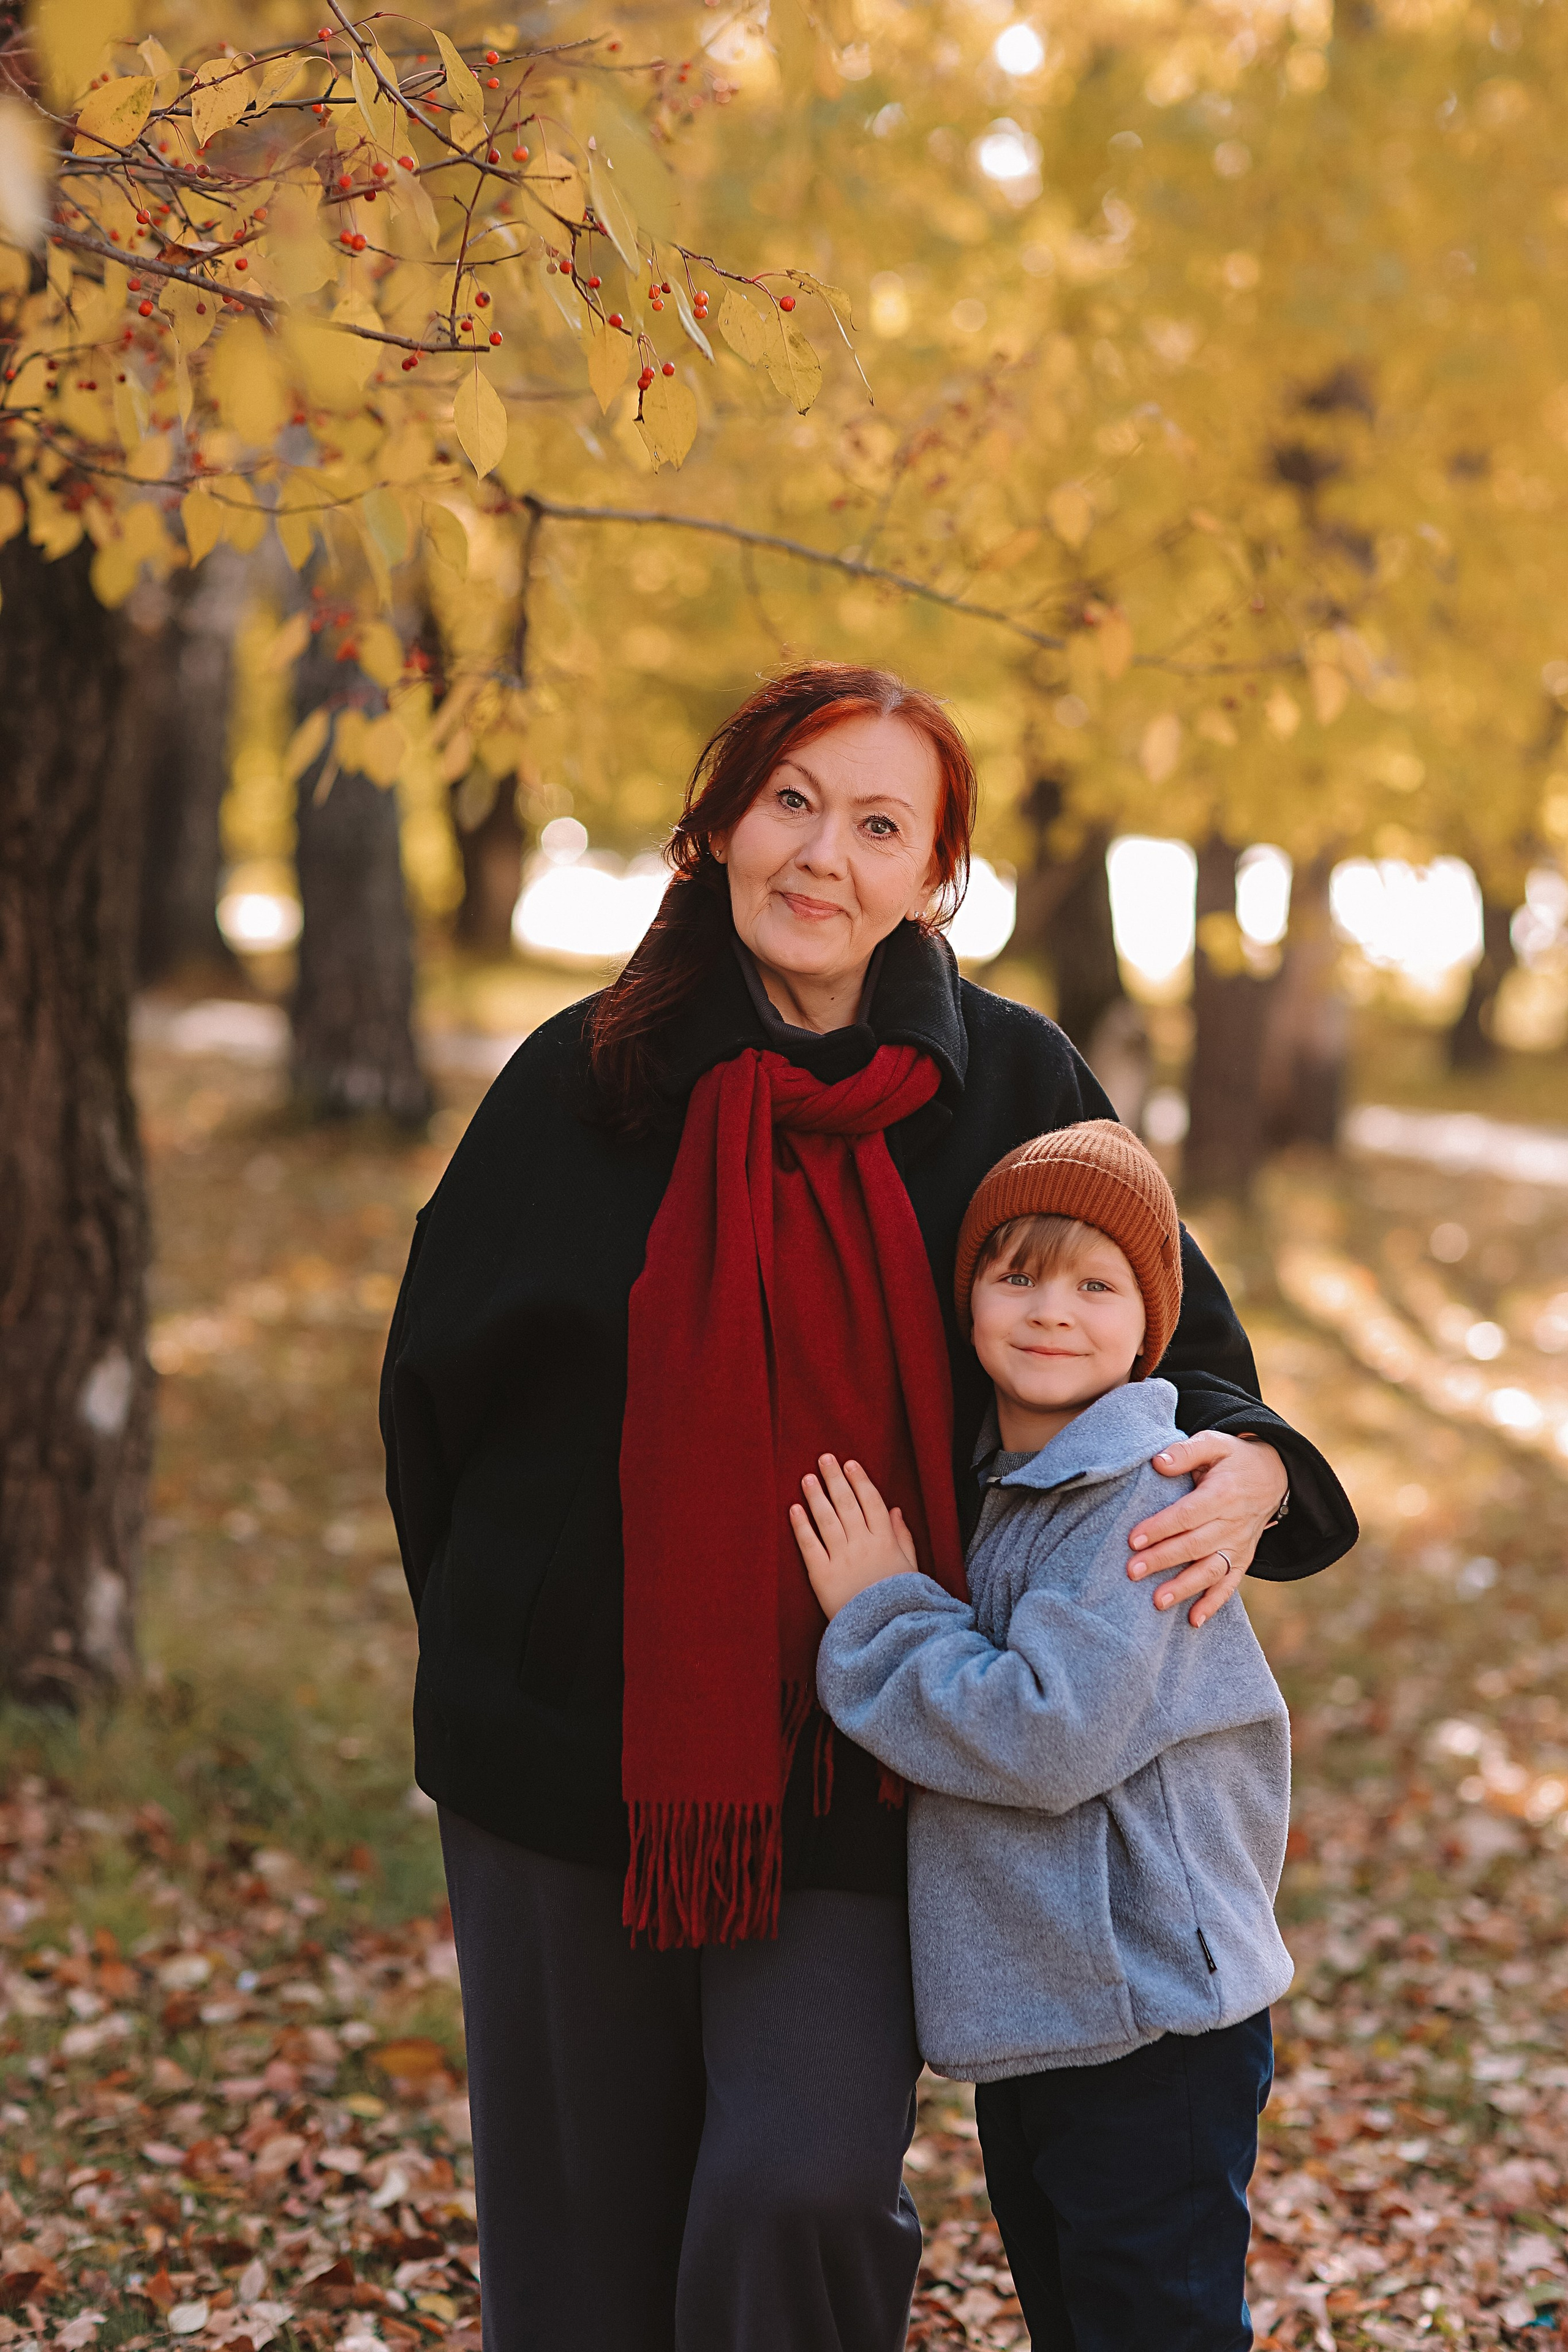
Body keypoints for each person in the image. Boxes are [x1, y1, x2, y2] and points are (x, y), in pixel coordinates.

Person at [379, 662, 1357, 2352]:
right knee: (582, 2248)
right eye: (793, 804)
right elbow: (434, 1402)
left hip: (862, 1759)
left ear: (935, 878)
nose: (826, 855)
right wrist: (528, 1634)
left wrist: (1264, 1468)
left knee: (805, 2183)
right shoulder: (580, 1081)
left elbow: (1178, 1347)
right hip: (569, 1758)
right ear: (722, 828)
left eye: (880, 824)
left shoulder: (1010, 1087)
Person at [800, 1120, 1297, 2351]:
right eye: (1014, 1274)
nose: (1049, 1311)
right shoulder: (1000, 1487)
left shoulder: (1151, 1501)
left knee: (1153, 2327)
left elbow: (1046, 1736)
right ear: (963, 1297)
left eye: (1094, 1283)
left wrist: (875, 1612)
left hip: (1154, 2023)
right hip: (1043, 2014)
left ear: (1149, 1323)